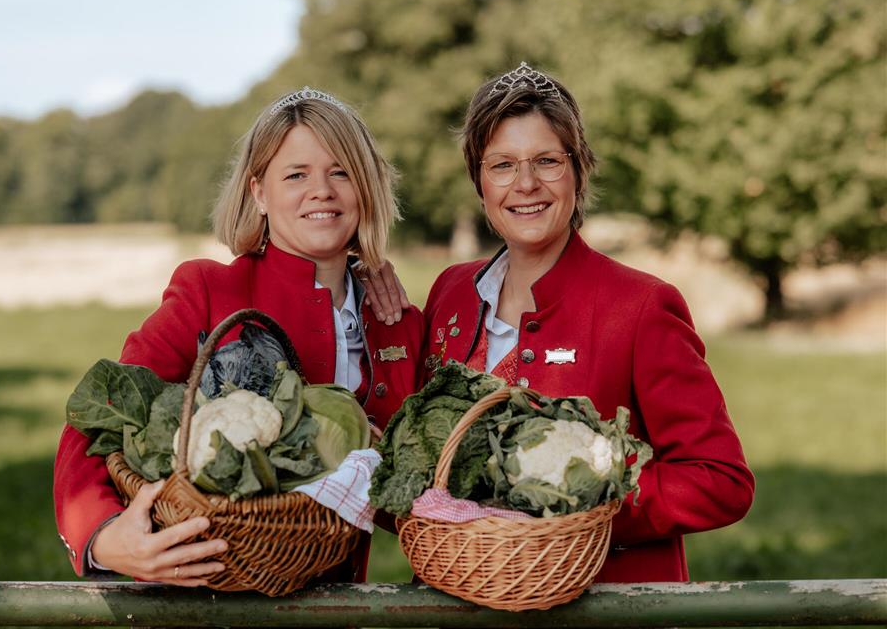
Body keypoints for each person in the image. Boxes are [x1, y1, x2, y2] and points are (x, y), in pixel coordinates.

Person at [364, 63, 754, 582]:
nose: (525, 184)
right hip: (457, 605)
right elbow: (417, 465)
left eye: (547, 161)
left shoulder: (641, 305)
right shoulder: (450, 293)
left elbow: (719, 480)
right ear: (479, 181)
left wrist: (578, 504)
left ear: (579, 170)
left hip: (603, 612)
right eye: (502, 165)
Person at [53, 87, 424, 585]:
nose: (322, 190)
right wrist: (103, 534)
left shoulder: (395, 322)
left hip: (335, 610)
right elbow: (98, 412)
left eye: (342, 171)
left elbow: (402, 490)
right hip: (207, 596)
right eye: (296, 175)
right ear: (259, 193)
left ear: (366, 187)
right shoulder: (208, 290)